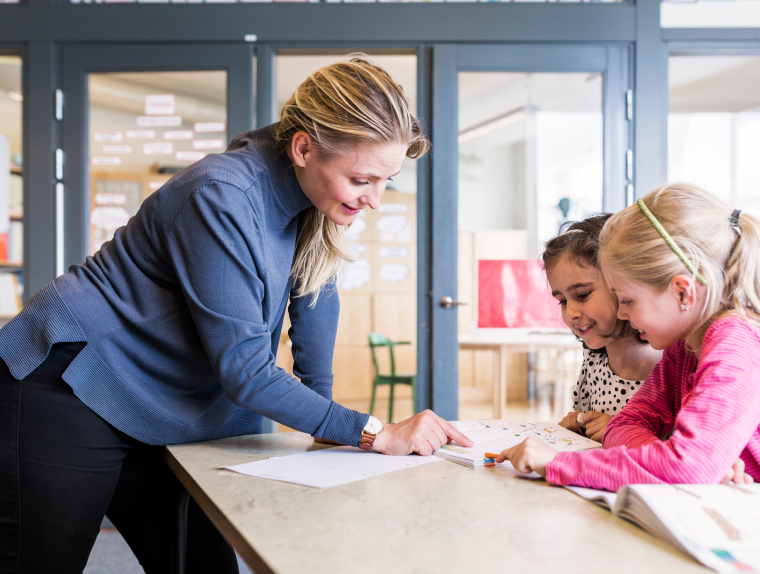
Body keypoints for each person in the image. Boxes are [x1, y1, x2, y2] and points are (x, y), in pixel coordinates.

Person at [0, 57, 471, 574]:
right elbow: (246, 371)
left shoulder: (318, 193)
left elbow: (314, 294)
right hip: (73, 384)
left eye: (386, 180)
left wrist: (326, 419)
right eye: (362, 179)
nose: (375, 199)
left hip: (165, 399)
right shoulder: (222, 195)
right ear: (303, 148)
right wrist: (370, 431)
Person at [497, 183, 760, 489]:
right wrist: (675, 464)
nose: (622, 314)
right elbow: (626, 424)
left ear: (683, 293)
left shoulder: (738, 343)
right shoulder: (684, 347)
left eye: (628, 300)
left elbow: (685, 467)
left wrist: (555, 463)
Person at [543, 215, 662, 443]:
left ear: (622, 284)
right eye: (563, 301)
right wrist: (576, 425)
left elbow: (678, 452)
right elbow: (587, 430)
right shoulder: (594, 358)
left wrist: (619, 431)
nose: (571, 314)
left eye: (583, 295)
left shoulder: (670, 367)